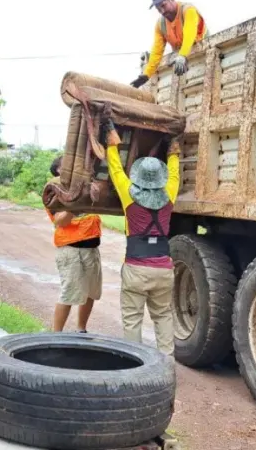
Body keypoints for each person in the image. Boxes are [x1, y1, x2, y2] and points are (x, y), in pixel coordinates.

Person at [103, 122, 181, 355]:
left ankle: (136, 367)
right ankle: (166, 365)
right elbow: (175, 171)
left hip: (136, 268)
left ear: (139, 176)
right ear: (160, 177)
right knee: (164, 317)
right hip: (163, 269)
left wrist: (111, 143)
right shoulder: (170, 194)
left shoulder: (129, 194)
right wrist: (173, 148)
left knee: (132, 320)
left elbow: (115, 169)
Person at [45, 155, 103, 333]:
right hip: (71, 250)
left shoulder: (86, 186)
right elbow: (60, 221)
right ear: (58, 171)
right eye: (66, 165)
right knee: (69, 294)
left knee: (91, 293)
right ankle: (56, 334)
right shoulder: (54, 189)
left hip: (92, 248)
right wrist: (76, 202)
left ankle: (81, 330)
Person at [131, 0, 208, 88]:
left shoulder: (188, 10)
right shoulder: (160, 25)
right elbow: (157, 51)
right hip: (185, 66)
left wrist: (182, 56)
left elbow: (189, 35)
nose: (162, 11)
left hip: (204, 59)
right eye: (158, 9)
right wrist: (146, 75)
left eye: (163, 6)